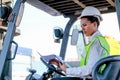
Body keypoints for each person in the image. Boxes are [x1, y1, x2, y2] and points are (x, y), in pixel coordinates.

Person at [59, 6, 110, 78]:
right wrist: (65, 66)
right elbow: (88, 65)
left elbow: (89, 70)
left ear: (94, 24)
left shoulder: (96, 43)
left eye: (84, 25)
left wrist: (67, 70)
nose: (82, 29)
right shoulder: (96, 41)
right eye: (81, 26)